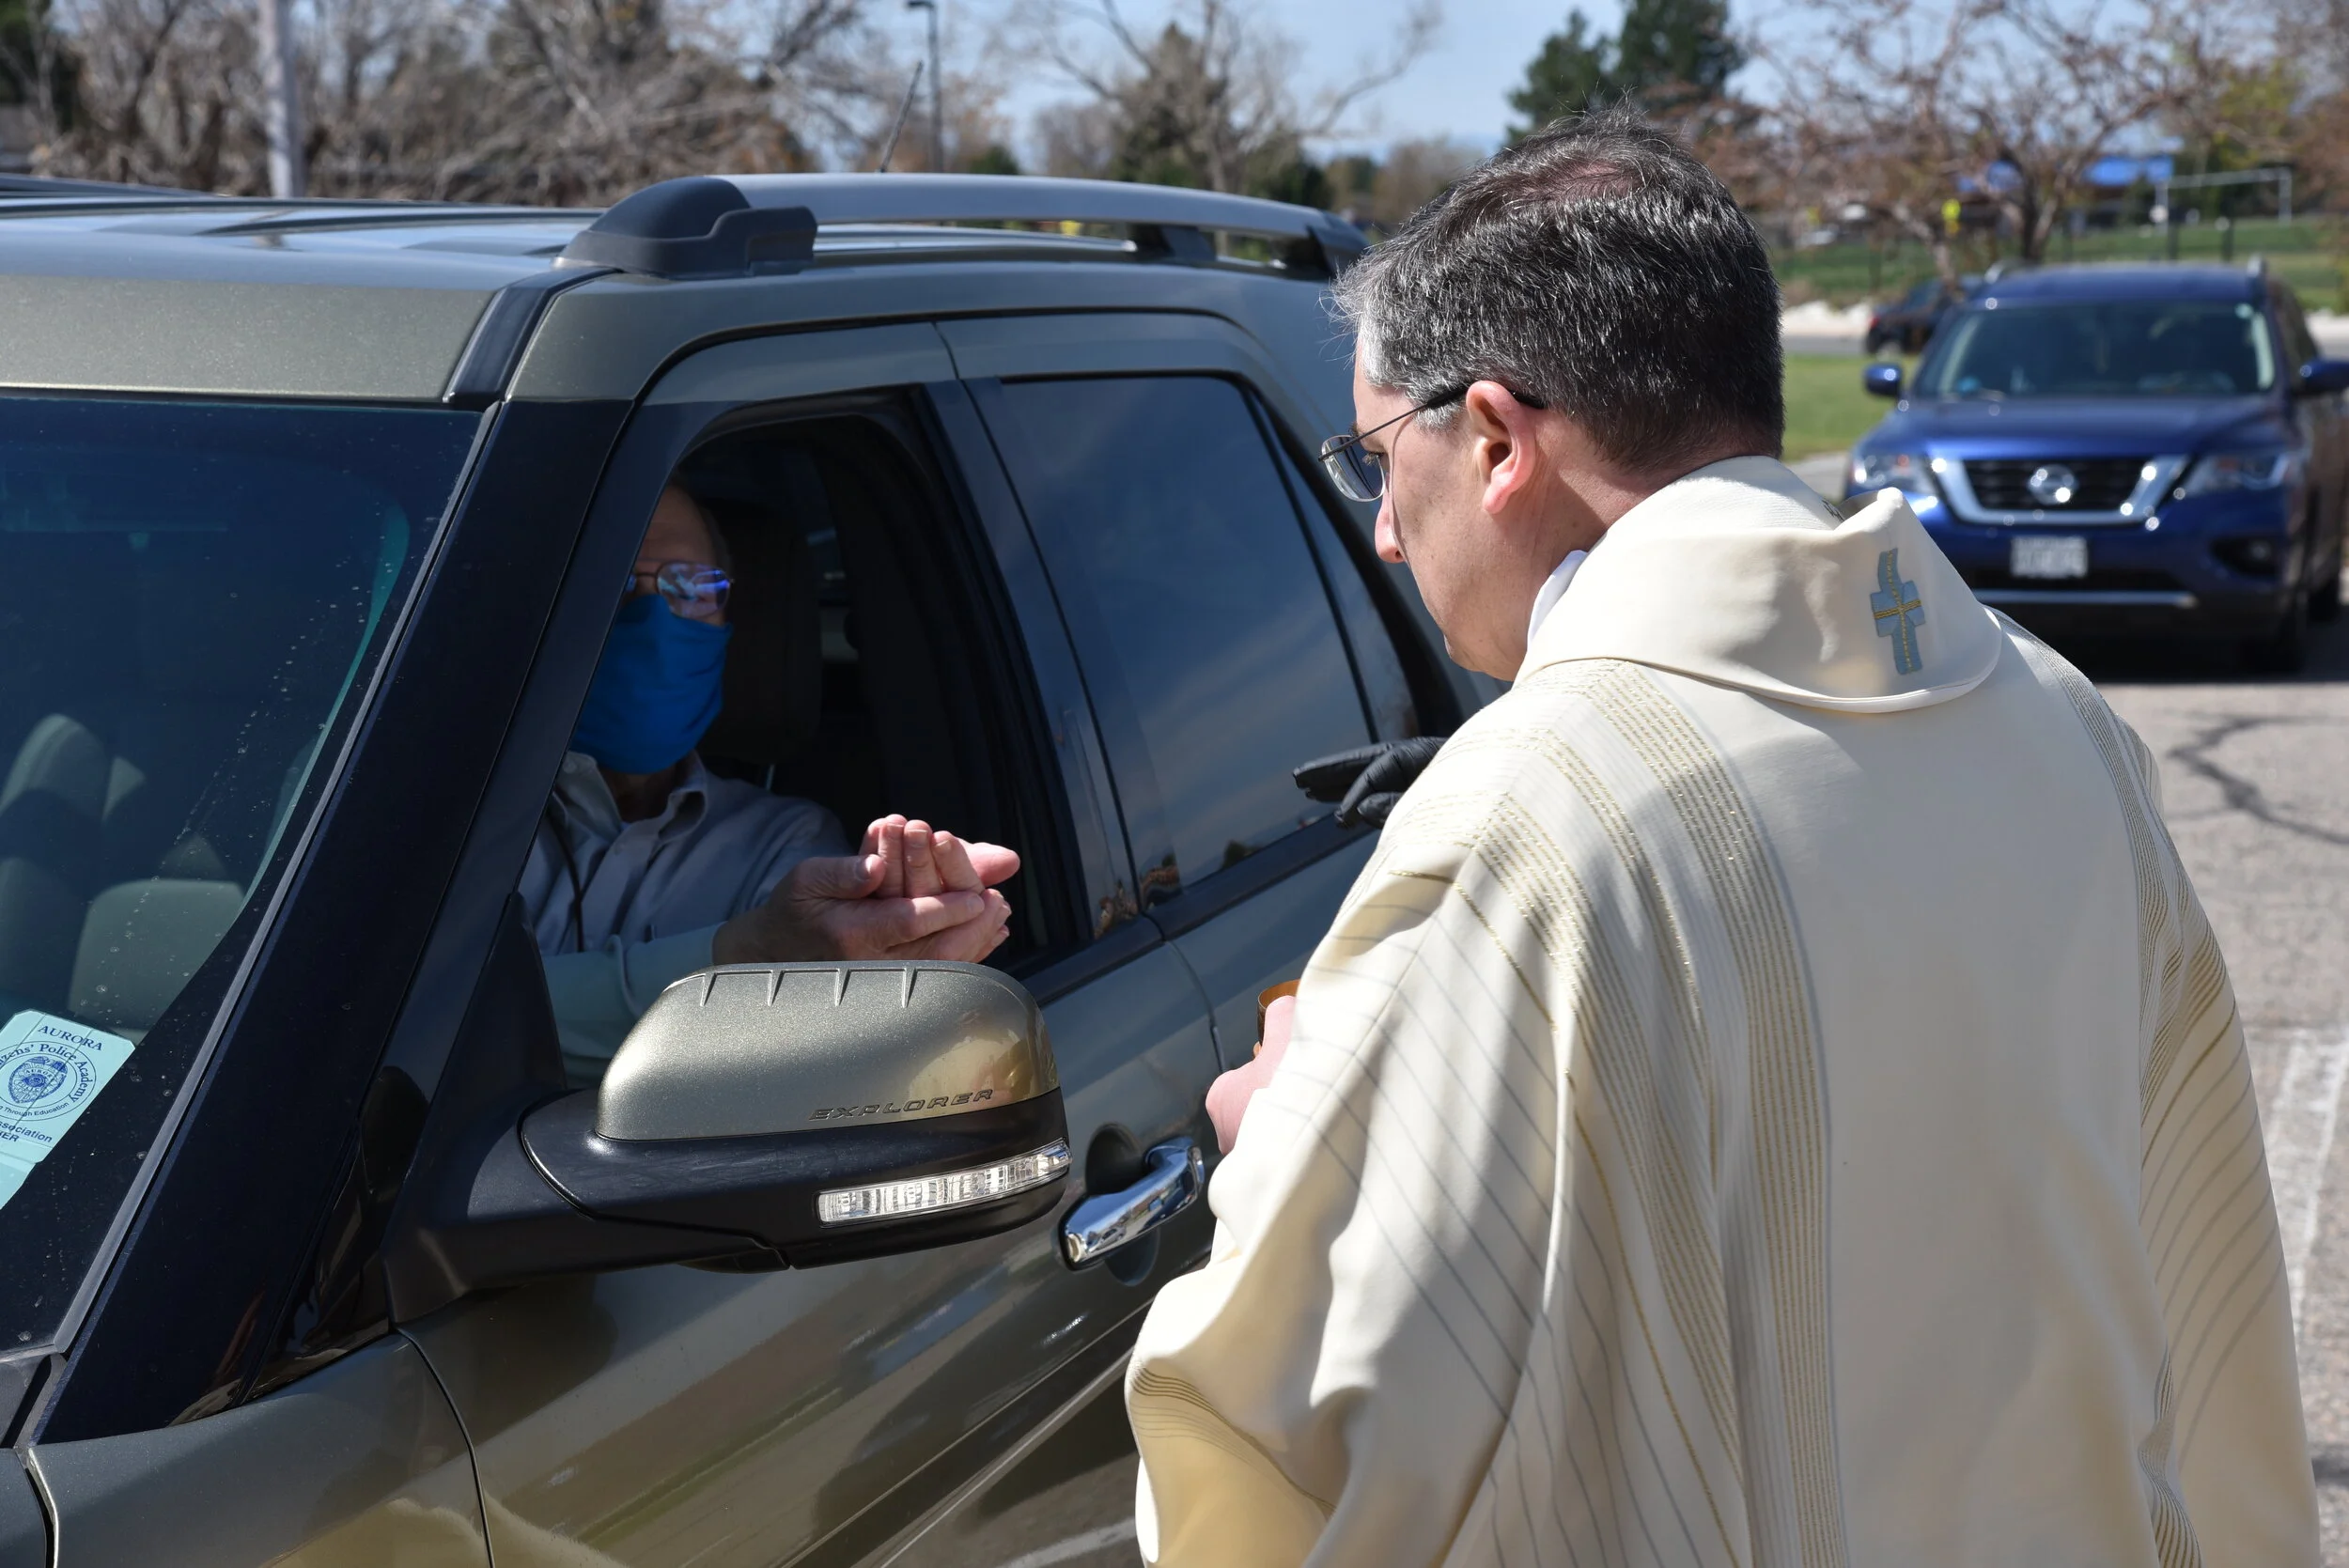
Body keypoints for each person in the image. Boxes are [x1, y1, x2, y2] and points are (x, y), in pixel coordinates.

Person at [1126, 110, 2316, 1566]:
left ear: (1496, 439)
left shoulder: (1533, 814)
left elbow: (1340, 1411)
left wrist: (1283, 1139)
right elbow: (2207, 1273)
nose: (1381, 528)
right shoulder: (2059, 718)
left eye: (1378, 457)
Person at [521, 483, 1016, 1076]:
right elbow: (412, 1027)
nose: (654, 618)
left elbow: (794, 1047)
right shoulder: (450, 827)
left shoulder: (787, 844)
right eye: (614, 584)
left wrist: (901, 942)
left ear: (729, 617)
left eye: (693, 588)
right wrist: (749, 954)